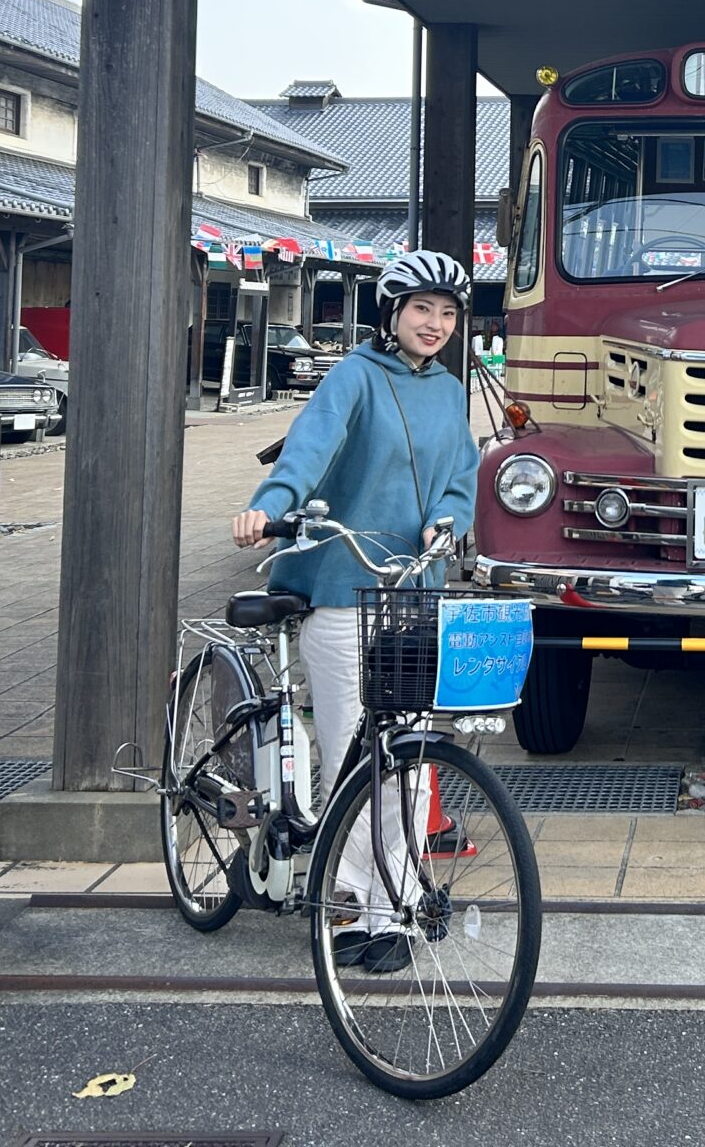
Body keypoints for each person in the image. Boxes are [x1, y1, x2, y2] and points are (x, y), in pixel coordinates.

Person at [231, 248, 475, 973]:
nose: (435, 324)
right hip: (344, 584)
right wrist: (268, 507)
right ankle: (346, 903)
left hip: (417, 590)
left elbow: (460, 477)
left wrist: (448, 521)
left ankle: (391, 904)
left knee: (410, 756)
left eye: (448, 313)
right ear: (392, 314)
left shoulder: (451, 392)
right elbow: (307, 452)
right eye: (422, 310)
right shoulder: (353, 378)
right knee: (351, 758)